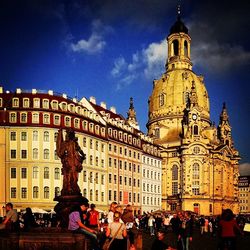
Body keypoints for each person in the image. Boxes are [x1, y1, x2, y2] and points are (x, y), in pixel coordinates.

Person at [56, 128, 86, 196]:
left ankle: (74, 187)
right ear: (68, 134)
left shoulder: (74, 143)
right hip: (69, 161)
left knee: (75, 176)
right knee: (68, 176)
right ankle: (68, 188)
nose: (71, 135)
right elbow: (61, 152)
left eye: (72, 134)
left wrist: (83, 154)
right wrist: (64, 156)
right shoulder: (65, 143)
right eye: (70, 134)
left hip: (75, 160)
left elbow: (79, 149)